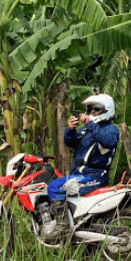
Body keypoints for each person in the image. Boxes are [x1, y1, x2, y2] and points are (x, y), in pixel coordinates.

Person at [44, 93, 119, 239]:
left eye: (95, 109)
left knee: (54, 186)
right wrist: (71, 129)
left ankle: (62, 227)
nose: (91, 112)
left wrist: (90, 124)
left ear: (106, 110)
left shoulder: (109, 129)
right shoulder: (88, 129)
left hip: (94, 176)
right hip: (79, 174)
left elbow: (109, 142)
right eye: (90, 109)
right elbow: (71, 143)